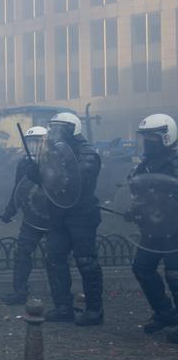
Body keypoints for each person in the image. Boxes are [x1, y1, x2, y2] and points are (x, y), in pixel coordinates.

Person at [34, 112, 104, 325]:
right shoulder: (54, 152)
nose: (54, 133)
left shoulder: (87, 153)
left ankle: (94, 311)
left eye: (59, 129)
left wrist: (50, 170)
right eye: (52, 129)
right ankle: (63, 307)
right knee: (54, 259)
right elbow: (50, 181)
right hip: (58, 214)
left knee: (86, 261)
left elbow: (75, 181)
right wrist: (35, 172)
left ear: (72, 130)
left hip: (81, 214)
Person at [126, 114, 178, 337]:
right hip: (154, 228)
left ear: (166, 137)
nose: (148, 141)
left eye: (152, 137)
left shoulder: (175, 163)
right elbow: (139, 193)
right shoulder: (145, 165)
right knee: (142, 268)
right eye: (145, 137)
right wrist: (134, 211)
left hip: (175, 228)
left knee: (175, 273)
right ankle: (165, 312)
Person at [0, 126, 49, 305]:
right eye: (30, 142)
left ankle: (61, 298)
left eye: (37, 141)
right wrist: (9, 210)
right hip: (32, 217)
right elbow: (18, 189)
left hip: (53, 217)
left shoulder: (54, 161)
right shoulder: (24, 164)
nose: (33, 146)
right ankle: (19, 291)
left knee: (55, 257)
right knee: (22, 253)